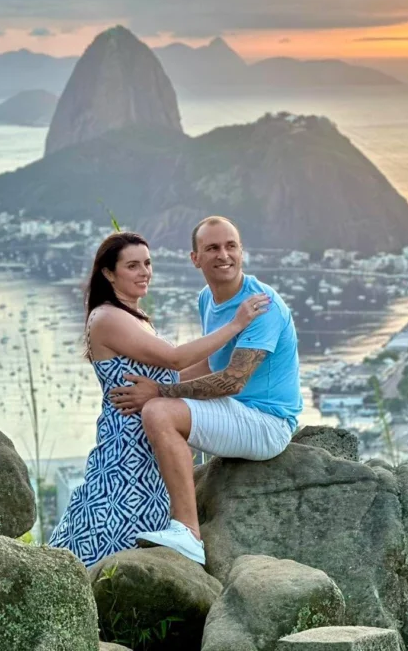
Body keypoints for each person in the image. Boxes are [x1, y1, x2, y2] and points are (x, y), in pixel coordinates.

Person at [49, 231, 269, 566]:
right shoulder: (107, 317)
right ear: (109, 273)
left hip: (151, 446)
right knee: (109, 545)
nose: (144, 272)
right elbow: (175, 359)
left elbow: (173, 378)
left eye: (147, 264)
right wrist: (237, 324)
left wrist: (238, 360)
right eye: (132, 266)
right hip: (126, 453)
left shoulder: (135, 318)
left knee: (148, 549)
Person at [109, 216, 302, 565]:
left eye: (231, 246)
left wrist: (159, 393)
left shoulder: (262, 306)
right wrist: (153, 385)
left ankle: (188, 533)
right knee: (148, 412)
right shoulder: (207, 299)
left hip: (267, 423)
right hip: (238, 411)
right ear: (195, 258)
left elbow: (232, 380)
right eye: (212, 248)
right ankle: (149, 511)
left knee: (158, 412)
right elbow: (213, 363)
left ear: (242, 252)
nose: (223, 254)